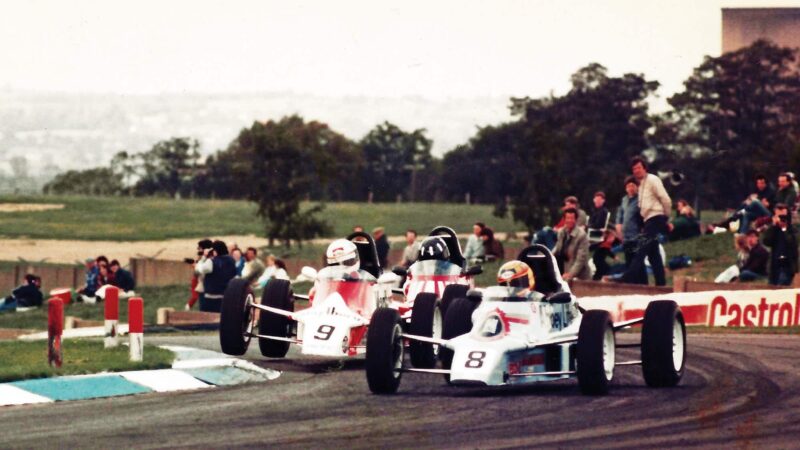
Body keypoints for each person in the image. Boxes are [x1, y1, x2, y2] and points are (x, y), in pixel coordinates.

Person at [629, 156, 671, 286]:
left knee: (641, 249)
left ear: (644, 168)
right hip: (648, 220)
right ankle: (661, 283)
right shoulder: (640, 185)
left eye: (639, 168)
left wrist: (666, 217)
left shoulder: (653, 179)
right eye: (634, 169)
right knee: (654, 254)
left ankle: (628, 277)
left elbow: (665, 199)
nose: (637, 171)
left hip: (656, 217)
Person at [194, 240, 237, 312]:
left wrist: (204, 257)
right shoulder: (231, 260)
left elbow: (199, 269)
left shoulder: (211, 262)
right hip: (226, 294)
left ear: (215, 251)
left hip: (212, 296)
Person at [762, 203, 798, 286]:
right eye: (779, 216)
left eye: (784, 217)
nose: (782, 219)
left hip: (787, 264)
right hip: (774, 264)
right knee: (771, 289)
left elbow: (793, 243)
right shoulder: (773, 229)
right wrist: (773, 226)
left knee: (781, 286)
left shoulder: (793, 230)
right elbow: (766, 241)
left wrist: (784, 229)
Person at [553, 208, 591, 281]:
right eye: (568, 218)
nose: (569, 221)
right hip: (564, 270)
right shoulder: (562, 232)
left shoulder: (582, 235)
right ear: (564, 219)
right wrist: (548, 257)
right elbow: (557, 248)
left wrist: (570, 274)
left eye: (572, 218)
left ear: (576, 220)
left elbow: (581, 259)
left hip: (580, 277)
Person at [615, 176, 643, 268]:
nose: (630, 188)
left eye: (632, 185)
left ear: (637, 186)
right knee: (628, 263)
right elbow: (620, 214)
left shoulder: (640, 199)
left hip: (636, 237)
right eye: (628, 186)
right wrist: (618, 226)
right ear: (626, 188)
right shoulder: (624, 199)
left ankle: (642, 282)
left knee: (638, 264)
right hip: (625, 238)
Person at [186, 239, 213, 310]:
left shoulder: (208, 259)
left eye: (200, 248)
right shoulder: (206, 258)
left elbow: (198, 272)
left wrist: (196, 267)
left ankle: (188, 307)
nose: (198, 250)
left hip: (205, 285)